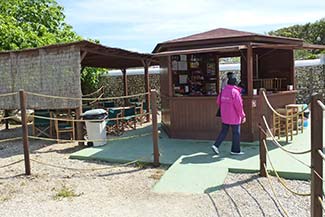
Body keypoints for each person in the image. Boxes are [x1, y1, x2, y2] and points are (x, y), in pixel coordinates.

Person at [212, 77, 246, 155]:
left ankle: (216, 145)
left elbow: (218, 101)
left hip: (224, 115)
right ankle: (235, 150)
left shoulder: (223, 91)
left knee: (224, 131)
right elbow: (239, 106)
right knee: (236, 133)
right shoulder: (235, 92)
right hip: (234, 115)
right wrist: (243, 115)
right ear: (235, 83)